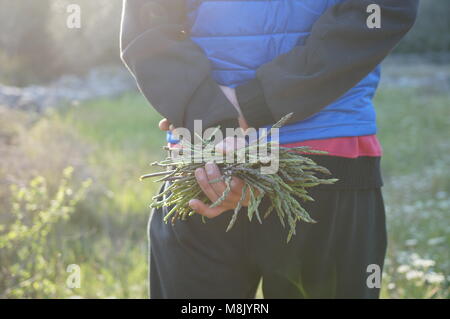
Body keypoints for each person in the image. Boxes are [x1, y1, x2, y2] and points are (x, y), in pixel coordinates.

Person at [120, 0, 418, 298]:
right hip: (301, 159)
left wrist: (217, 112)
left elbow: (147, 27)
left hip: (215, 157)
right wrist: (229, 113)